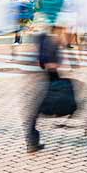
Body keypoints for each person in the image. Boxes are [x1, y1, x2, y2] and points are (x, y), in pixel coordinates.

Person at [25, 20, 63, 153]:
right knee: (39, 107)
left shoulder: (46, 37)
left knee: (39, 108)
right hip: (45, 77)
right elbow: (47, 62)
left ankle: (32, 140)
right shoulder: (50, 39)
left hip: (43, 76)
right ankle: (32, 141)